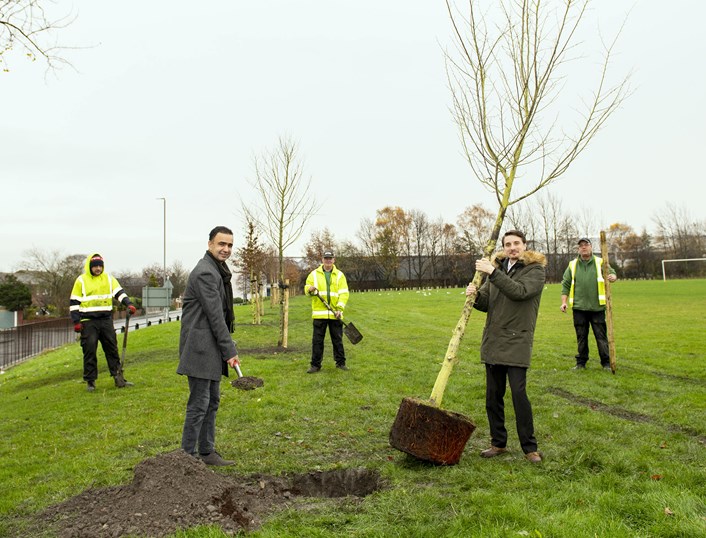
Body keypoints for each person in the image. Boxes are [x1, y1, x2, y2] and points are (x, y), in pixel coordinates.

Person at [466, 230, 546, 464]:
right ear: (503, 247)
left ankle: (530, 448)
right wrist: (474, 296)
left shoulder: (535, 270)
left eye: (516, 243)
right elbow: (488, 301)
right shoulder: (498, 269)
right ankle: (498, 443)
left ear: (524, 245)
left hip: (517, 340)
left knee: (519, 395)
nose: (512, 247)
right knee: (493, 396)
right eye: (508, 244)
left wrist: (492, 272)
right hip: (494, 340)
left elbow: (519, 292)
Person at [177, 226, 240, 466]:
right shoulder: (205, 273)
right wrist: (230, 351)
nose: (226, 249)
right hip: (199, 347)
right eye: (221, 244)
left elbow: (219, 317)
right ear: (210, 244)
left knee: (212, 401)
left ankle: (206, 451)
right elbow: (215, 316)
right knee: (199, 403)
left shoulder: (217, 271)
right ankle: (188, 458)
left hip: (210, 346)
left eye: (230, 245)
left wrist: (227, 347)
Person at [70, 253, 137, 392]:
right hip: (88, 322)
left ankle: (118, 378)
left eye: (100, 266)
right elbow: (74, 302)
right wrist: (76, 321)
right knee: (89, 350)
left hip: (106, 320)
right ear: (90, 267)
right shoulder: (81, 280)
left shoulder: (108, 278)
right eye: (95, 266)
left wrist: (128, 304)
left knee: (112, 349)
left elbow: (119, 292)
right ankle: (90, 381)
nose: (98, 269)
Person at [560, 237, 617, 370]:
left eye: (586, 245)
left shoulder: (600, 262)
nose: (583, 247)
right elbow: (565, 284)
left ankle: (606, 363)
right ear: (578, 249)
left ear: (591, 247)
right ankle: (581, 363)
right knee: (581, 337)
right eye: (581, 246)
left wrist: (613, 277)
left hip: (597, 308)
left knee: (601, 337)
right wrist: (564, 302)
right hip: (579, 308)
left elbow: (612, 273)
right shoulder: (572, 265)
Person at [304, 250, 350, 373]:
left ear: (334, 260)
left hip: (336, 314)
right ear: (322, 260)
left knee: (338, 340)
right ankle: (315, 365)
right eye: (326, 258)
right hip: (319, 314)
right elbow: (306, 288)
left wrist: (339, 309)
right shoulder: (314, 274)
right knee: (317, 341)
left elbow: (344, 293)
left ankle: (341, 363)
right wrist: (310, 289)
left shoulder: (340, 275)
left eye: (330, 258)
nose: (328, 261)